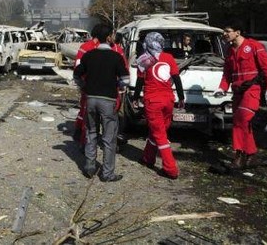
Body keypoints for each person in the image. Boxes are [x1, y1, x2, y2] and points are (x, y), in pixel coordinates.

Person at [73, 24, 129, 182]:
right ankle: (107, 173)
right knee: (108, 138)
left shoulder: (88, 55)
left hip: (90, 99)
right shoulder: (116, 56)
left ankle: (89, 168)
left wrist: (84, 86)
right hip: (108, 100)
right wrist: (118, 87)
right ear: (109, 37)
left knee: (91, 133)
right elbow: (125, 79)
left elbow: (76, 75)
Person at [215, 23, 267, 169]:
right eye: (223, 31)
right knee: (243, 123)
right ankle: (250, 155)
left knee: (240, 119)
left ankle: (239, 156)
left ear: (237, 32)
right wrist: (222, 88)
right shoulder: (230, 51)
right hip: (238, 92)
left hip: (252, 90)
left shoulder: (254, 46)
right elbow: (227, 74)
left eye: (227, 31)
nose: (224, 34)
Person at [132, 32, 184, 179]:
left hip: (153, 101)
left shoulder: (143, 59)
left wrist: (136, 98)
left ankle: (171, 169)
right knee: (157, 131)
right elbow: (176, 78)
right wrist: (181, 97)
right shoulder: (169, 57)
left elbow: (140, 81)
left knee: (160, 135)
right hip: (169, 100)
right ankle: (148, 158)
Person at [72, 25, 101, 144]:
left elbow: (77, 66)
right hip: (90, 84)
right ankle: (83, 136)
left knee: (86, 109)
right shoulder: (87, 47)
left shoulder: (86, 47)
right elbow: (78, 66)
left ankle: (81, 132)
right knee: (87, 111)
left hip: (92, 84)